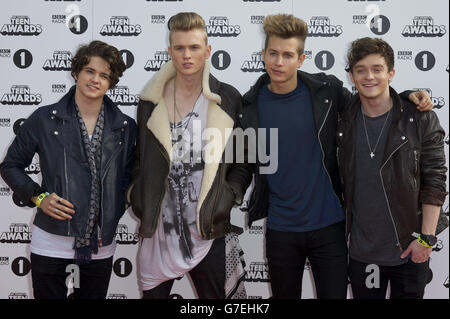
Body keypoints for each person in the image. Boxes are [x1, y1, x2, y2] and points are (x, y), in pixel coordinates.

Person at [241, 14, 434, 299]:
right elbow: (242, 162)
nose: (279, 62)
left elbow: (372, 98)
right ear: (263, 55)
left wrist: (407, 97)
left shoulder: (326, 93)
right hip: (281, 229)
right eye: (273, 53)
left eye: (287, 54)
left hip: (329, 228)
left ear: (301, 59)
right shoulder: (249, 106)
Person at [127, 12, 252, 299]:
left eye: (194, 47)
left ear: (207, 51)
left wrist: (229, 196)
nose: (187, 55)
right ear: (170, 51)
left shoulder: (227, 98)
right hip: (159, 230)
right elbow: (139, 157)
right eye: (179, 48)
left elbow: (244, 158)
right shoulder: (150, 100)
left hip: (207, 228)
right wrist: (137, 194)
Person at [0, 40, 137, 299]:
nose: (95, 79)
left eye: (104, 75)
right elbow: (11, 165)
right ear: (76, 73)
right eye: (89, 71)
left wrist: (111, 212)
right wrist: (38, 197)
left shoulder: (126, 127)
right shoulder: (44, 119)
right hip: (51, 242)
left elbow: (128, 179)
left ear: (111, 82)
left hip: (100, 245)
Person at [338, 37, 447, 299]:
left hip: (410, 248)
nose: (369, 77)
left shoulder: (419, 117)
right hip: (363, 254)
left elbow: (435, 181)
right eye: (361, 70)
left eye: (377, 69)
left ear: (391, 73)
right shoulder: (344, 118)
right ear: (351, 76)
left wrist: (426, 239)